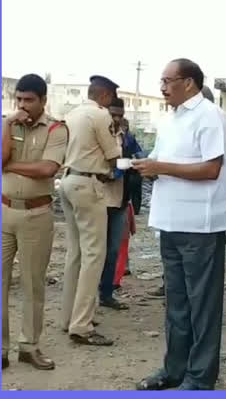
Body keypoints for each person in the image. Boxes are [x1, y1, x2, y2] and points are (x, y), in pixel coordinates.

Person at [133, 59, 226, 391]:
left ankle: (201, 376)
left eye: (167, 80)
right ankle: (174, 369)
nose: (161, 87)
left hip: (200, 224)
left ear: (188, 83)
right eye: (161, 81)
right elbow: (167, 163)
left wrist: (161, 165)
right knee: (177, 302)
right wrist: (148, 166)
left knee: (202, 304)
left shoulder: (209, 116)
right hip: (171, 221)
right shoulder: (170, 118)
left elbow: (210, 169)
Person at [1, 73, 68, 371]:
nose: (23, 105)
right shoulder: (9, 125)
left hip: (36, 215)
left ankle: (29, 347)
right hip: (5, 212)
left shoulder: (56, 129)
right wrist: (5, 123)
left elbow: (46, 169)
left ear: (43, 100)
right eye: (19, 99)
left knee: (32, 284)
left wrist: (10, 165)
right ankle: (0, 350)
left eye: (29, 100)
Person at [59, 75, 121, 346]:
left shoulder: (71, 114)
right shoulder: (100, 115)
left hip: (68, 181)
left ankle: (69, 317)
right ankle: (81, 325)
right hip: (89, 185)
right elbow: (113, 155)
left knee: (75, 253)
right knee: (94, 254)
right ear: (105, 96)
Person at [98, 97, 130, 310]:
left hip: (120, 199)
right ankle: (90, 294)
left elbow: (134, 156)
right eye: (113, 114)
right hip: (100, 198)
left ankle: (106, 293)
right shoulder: (99, 135)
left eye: (120, 114)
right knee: (95, 250)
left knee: (112, 250)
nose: (116, 118)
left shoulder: (125, 136)